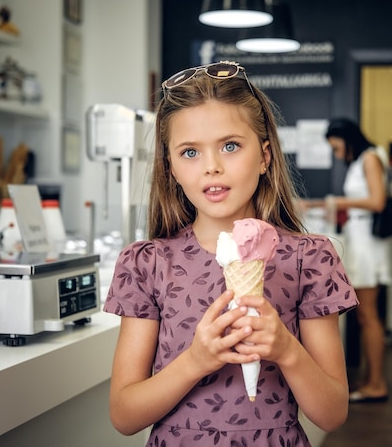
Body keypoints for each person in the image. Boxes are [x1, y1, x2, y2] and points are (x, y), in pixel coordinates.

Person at [103, 61, 359, 446]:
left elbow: (333, 412)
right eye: (190, 152)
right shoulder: (146, 264)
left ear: (265, 156)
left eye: (230, 145)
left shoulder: (311, 259)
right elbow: (124, 415)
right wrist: (194, 361)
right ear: (170, 167)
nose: (212, 167)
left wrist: (286, 350)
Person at [310, 117, 392, 404]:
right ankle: (371, 379)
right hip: (360, 241)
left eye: (336, 147)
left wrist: (338, 202)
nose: (336, 153)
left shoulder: (370, 158)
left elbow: (377, 201)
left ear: (348, 139)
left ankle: (377, 383)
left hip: (368, 245)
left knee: (368, 315)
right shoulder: (362, 160)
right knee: (365, 314)